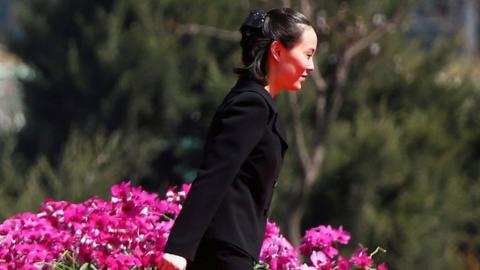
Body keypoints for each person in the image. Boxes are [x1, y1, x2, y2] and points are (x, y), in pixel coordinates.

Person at [158, 7, 317, 270]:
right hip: (221, 254)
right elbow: (216, 174)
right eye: (308, 54)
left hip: (233, 251)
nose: (311, 66)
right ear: (277, 51)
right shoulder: (251, 104)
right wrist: (179, 248)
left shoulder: (260, 104)